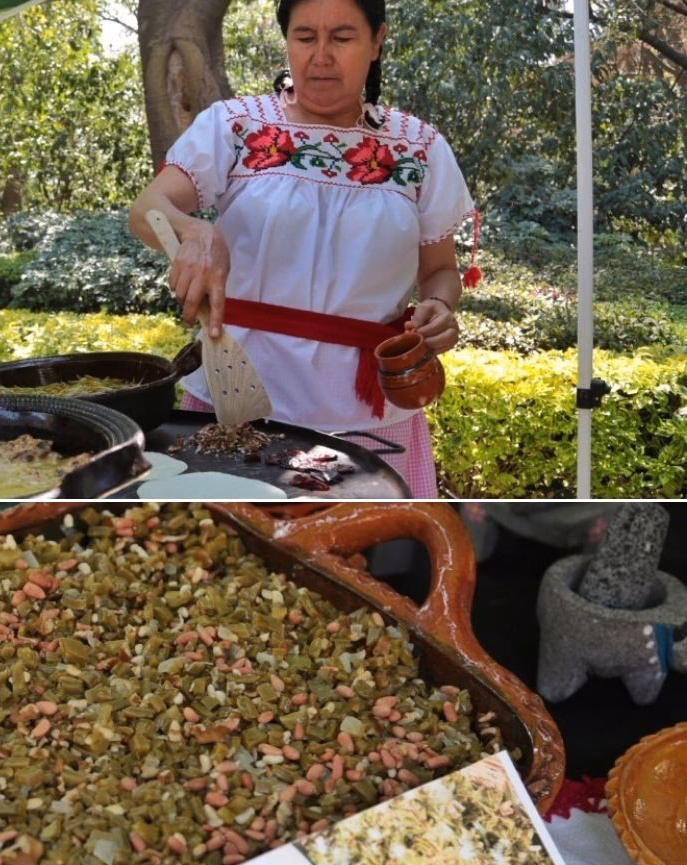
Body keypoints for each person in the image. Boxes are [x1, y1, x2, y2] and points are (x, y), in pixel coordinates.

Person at [129, 0, 476, 498]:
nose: (320, 56)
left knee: (359, 562)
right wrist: (194, 231)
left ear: (377, 41)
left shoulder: (417, 148)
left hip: (368, 408)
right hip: (237, 392)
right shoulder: (236, 127)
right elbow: (147, 208)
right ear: (287, 40)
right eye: (305, 36)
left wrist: (440, 306)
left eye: (342, 37)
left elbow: (440, 269)